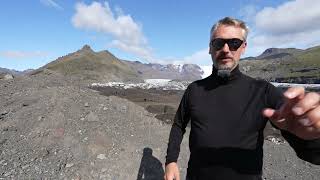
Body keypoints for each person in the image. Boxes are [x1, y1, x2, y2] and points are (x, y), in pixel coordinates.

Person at [164, 17, 320, 180]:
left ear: (243, 47)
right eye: (218, 43)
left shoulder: (263, 91)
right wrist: (171, 161)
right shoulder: (194, 90)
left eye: (234, 43)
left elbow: (313, 154)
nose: (226, 49)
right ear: (210, 48)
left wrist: (312, 138)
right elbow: (178, 124)